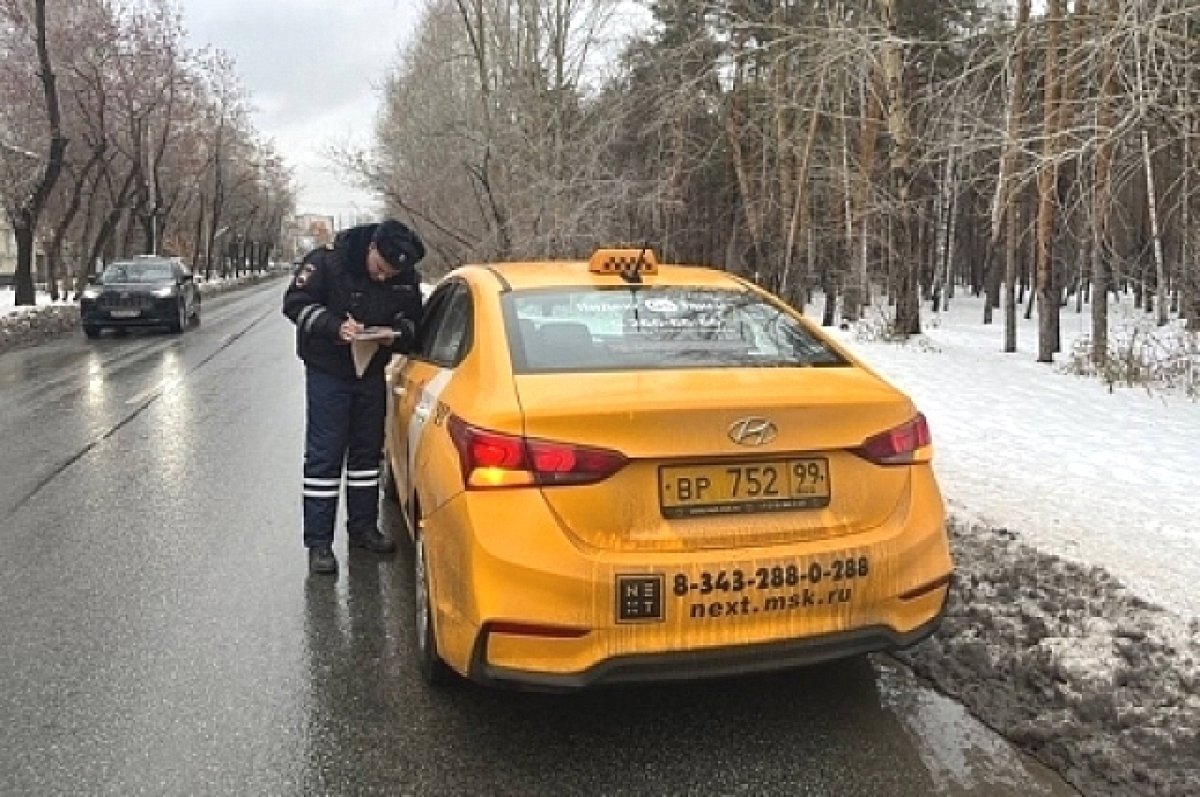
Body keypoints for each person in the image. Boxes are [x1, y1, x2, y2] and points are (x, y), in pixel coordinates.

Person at [283, 219, 425, 575]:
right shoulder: (328, 262)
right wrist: (335, 326)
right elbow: (295, 304)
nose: (382, 278)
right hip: (328, 370)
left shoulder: (404, 276)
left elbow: (415, 322)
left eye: (390, 274)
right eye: (379, 269)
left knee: (366, 454)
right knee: (325, 457)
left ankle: (362, 528)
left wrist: (396, 335)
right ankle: (319, 544)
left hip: (371, 371)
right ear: (371, 248)